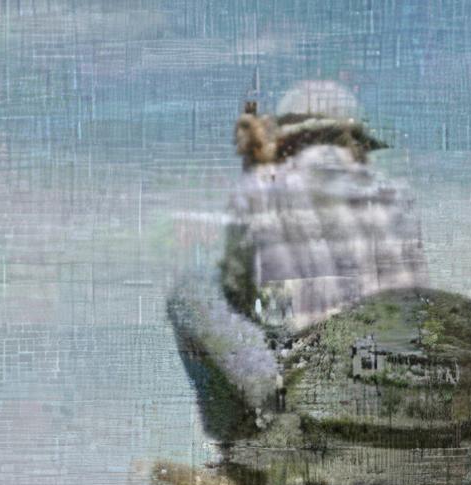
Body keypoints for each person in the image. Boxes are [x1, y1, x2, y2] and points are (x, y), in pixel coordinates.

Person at [166, 80, 429, 455]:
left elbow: (238, 292)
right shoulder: (398, 199)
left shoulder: (262, 192)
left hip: (324, 401)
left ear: (287, 143)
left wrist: (257, 170)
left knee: (192, 290)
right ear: (352, 141)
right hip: (406, 398)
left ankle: (239, 443)